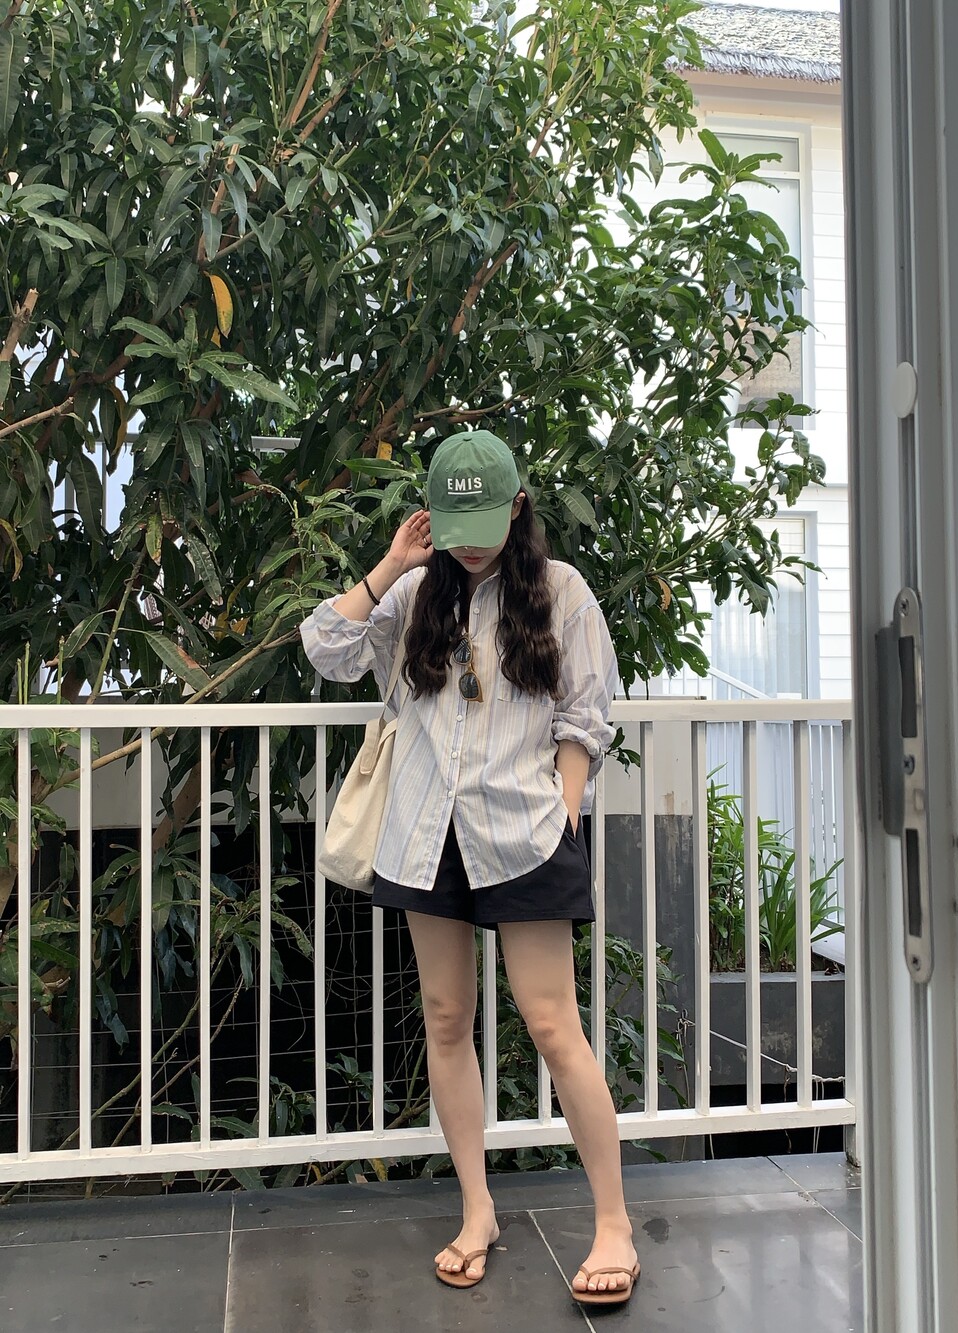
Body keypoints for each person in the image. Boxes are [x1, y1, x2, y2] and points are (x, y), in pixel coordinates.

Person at [299, 430, 640, 1306]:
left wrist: (566, 806)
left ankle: (614, 1223)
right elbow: (325, 649)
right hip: (426, 833)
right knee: (447, 1017)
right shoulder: (415, 592)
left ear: (518, 507)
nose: (472, 545)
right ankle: (477, 1209)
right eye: (455, 529)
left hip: (524, 831)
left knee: (553, 1024)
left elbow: (586, 715)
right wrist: (390, 565)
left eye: (486, 524)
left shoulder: (561, 593)